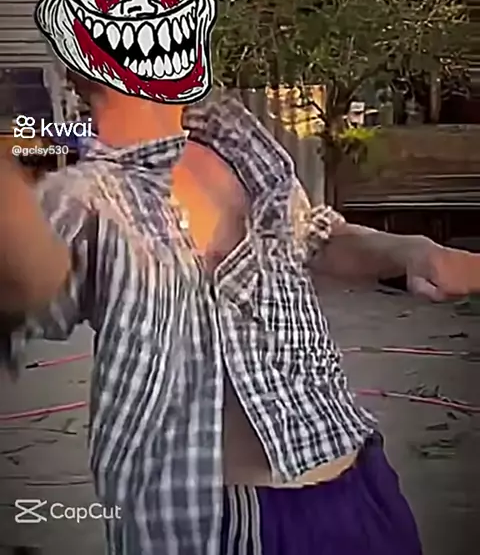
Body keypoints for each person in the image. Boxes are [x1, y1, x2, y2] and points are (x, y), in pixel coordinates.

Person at [1, 78, 480, 555]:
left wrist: (411, 251)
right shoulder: (80, 197)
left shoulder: (234, 137)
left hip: (362, 484)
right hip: (223, 527)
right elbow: (30, 287)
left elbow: (313, 239)